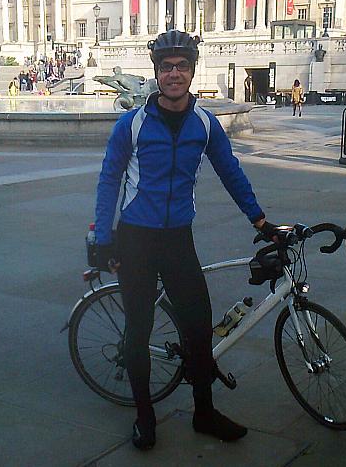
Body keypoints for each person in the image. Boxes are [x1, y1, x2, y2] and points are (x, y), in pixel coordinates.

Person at [93, 29, 278, 451]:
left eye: (181, 66)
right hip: (136, 240)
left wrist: (260, 221)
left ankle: (204, 412)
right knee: (137, 330)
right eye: (166, 67)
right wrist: (105, 240)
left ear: (192, 71)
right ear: (156, 74)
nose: (174, 74)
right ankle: (145, 416)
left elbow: (231, 171)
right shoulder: (132, 124)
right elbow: (109, 180)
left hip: (178, 239)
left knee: (198, 328)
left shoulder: (204, 124)